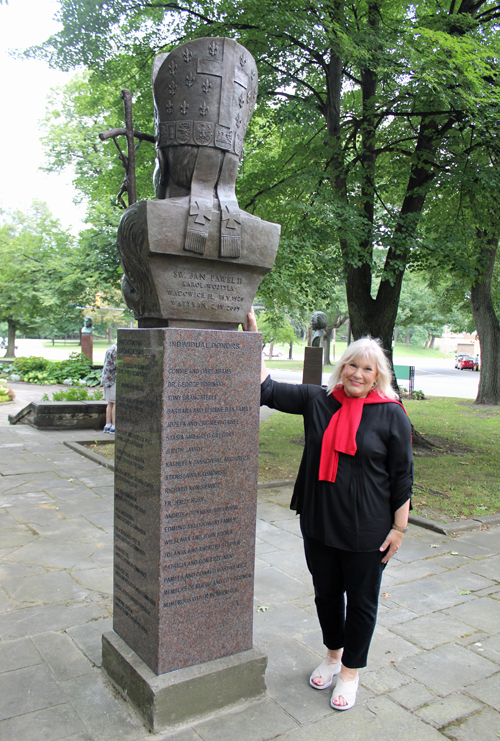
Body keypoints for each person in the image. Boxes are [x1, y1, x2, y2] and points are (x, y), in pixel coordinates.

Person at [242, 308, 412, 711]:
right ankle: (333, 655)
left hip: (368, 530)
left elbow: (402, 475)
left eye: (367, 369)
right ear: (342, 367)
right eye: (351, 364)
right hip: (319, 522)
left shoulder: (391, 414)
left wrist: (399, 528)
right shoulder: (318, 400)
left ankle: (351, 672)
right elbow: (264, 388)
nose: (357, 373)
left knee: (362, 601)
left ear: (378, 376)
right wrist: (253, 337)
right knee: (326, 595)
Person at [101, 341, 117, 433]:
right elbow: (116, 364)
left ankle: (108, 425)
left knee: (110, 403)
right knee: (115, 402)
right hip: (113, 379)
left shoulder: (110, 348)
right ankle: (114, 426)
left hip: (106, 378)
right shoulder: (116, 350)